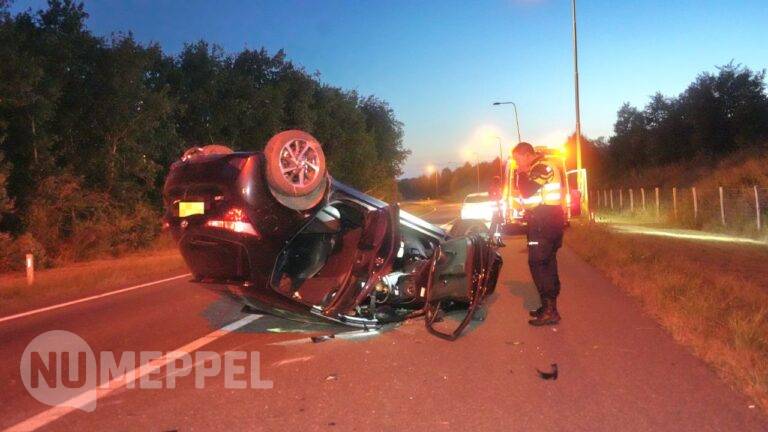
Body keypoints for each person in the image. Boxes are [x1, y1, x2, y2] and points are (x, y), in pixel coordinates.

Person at [512, 142, 565, 326]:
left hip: (545, 223)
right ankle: (548, 307)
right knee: (547, 263)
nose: (517, 164)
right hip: (545, 221)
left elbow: (527, 191)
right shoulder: (539, 167)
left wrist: (520, 173)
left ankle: (550, 310)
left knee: (539, 264)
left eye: (518, 160)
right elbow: (532, 198)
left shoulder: (543, 167)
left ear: (527, 155)